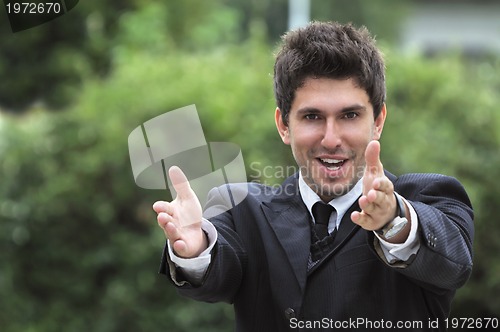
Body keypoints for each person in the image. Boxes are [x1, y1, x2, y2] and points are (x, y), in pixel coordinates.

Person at [152, 21, 474, 331]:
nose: (331, 138)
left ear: (378, 120)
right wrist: (195, 250)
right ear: (284, 125)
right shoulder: (239, 208)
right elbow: (215, 274)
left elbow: (452, 262)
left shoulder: (431, 197)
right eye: (312, 116)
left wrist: (393, 220)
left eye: (349, 115)